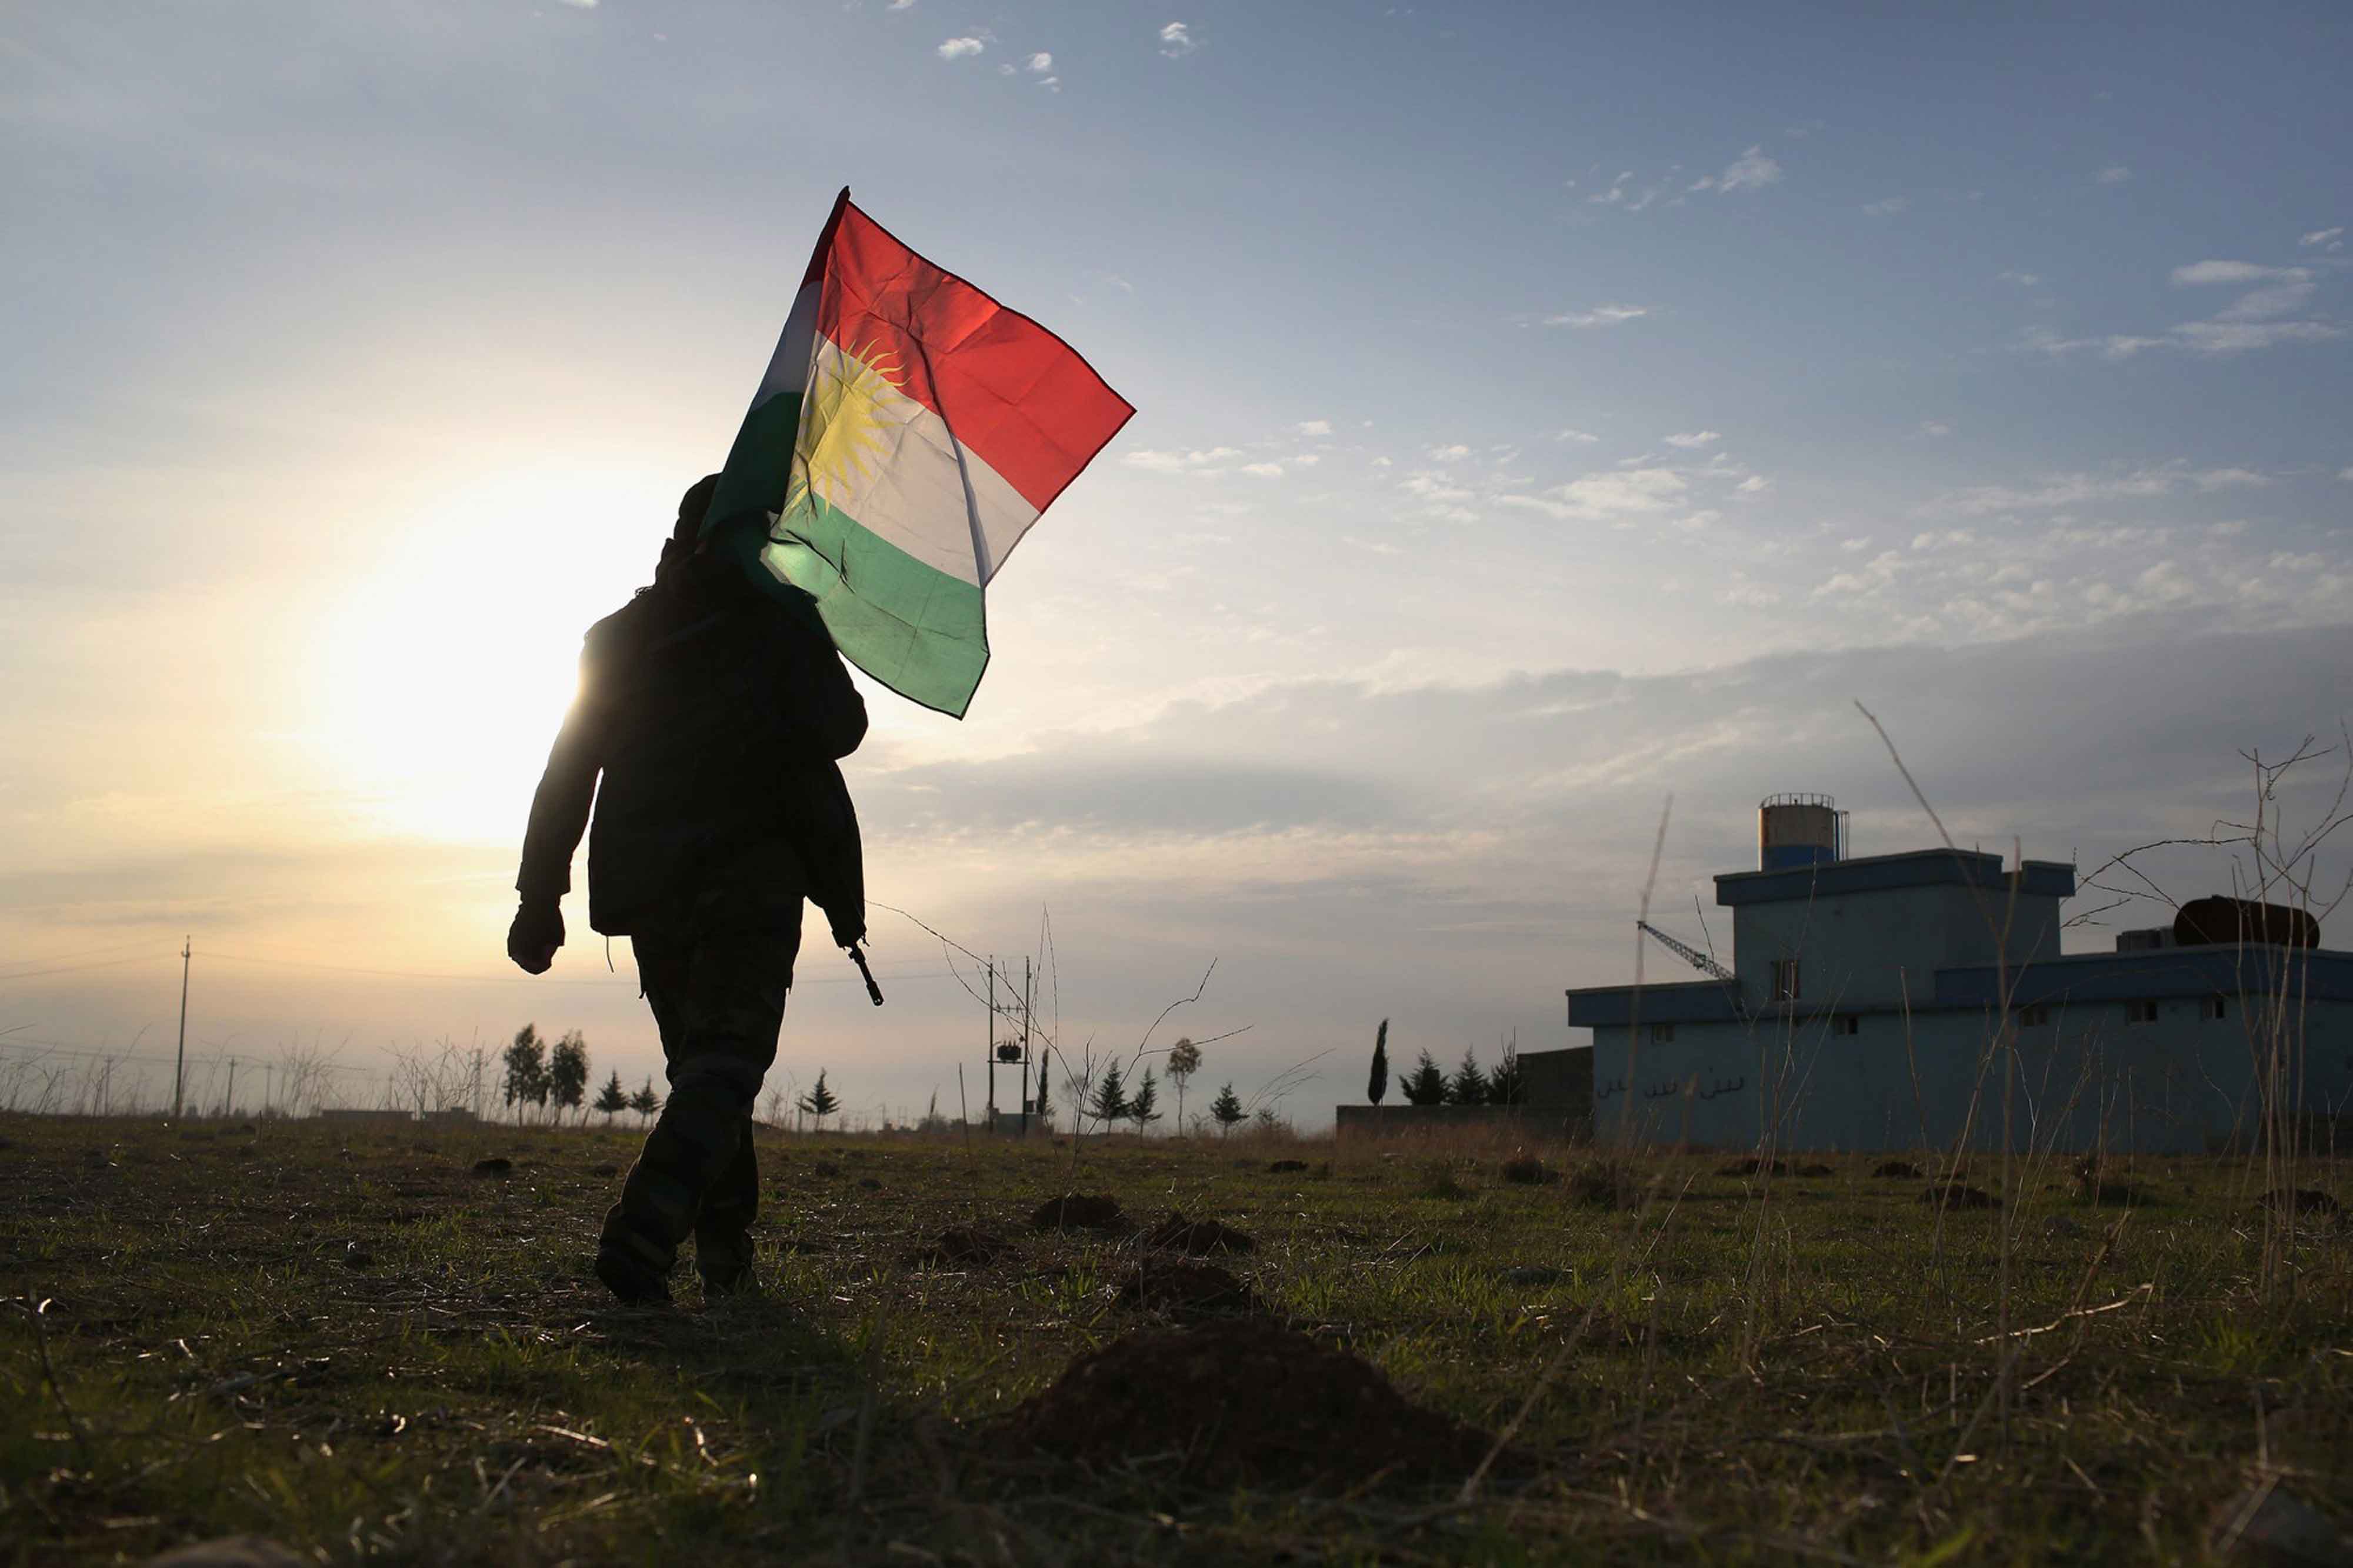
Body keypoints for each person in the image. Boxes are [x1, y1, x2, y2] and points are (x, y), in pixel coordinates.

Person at [507, 474, 869, 1304]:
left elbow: (567, 772)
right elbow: (842, 727)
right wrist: (797, 619)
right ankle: (645, 1229)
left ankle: (726, 1259)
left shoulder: (619, 637)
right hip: (749, 883)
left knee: (708, 1072)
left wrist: (540, 896)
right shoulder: (775, 623)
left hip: (652, 891)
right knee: (725, 1065)